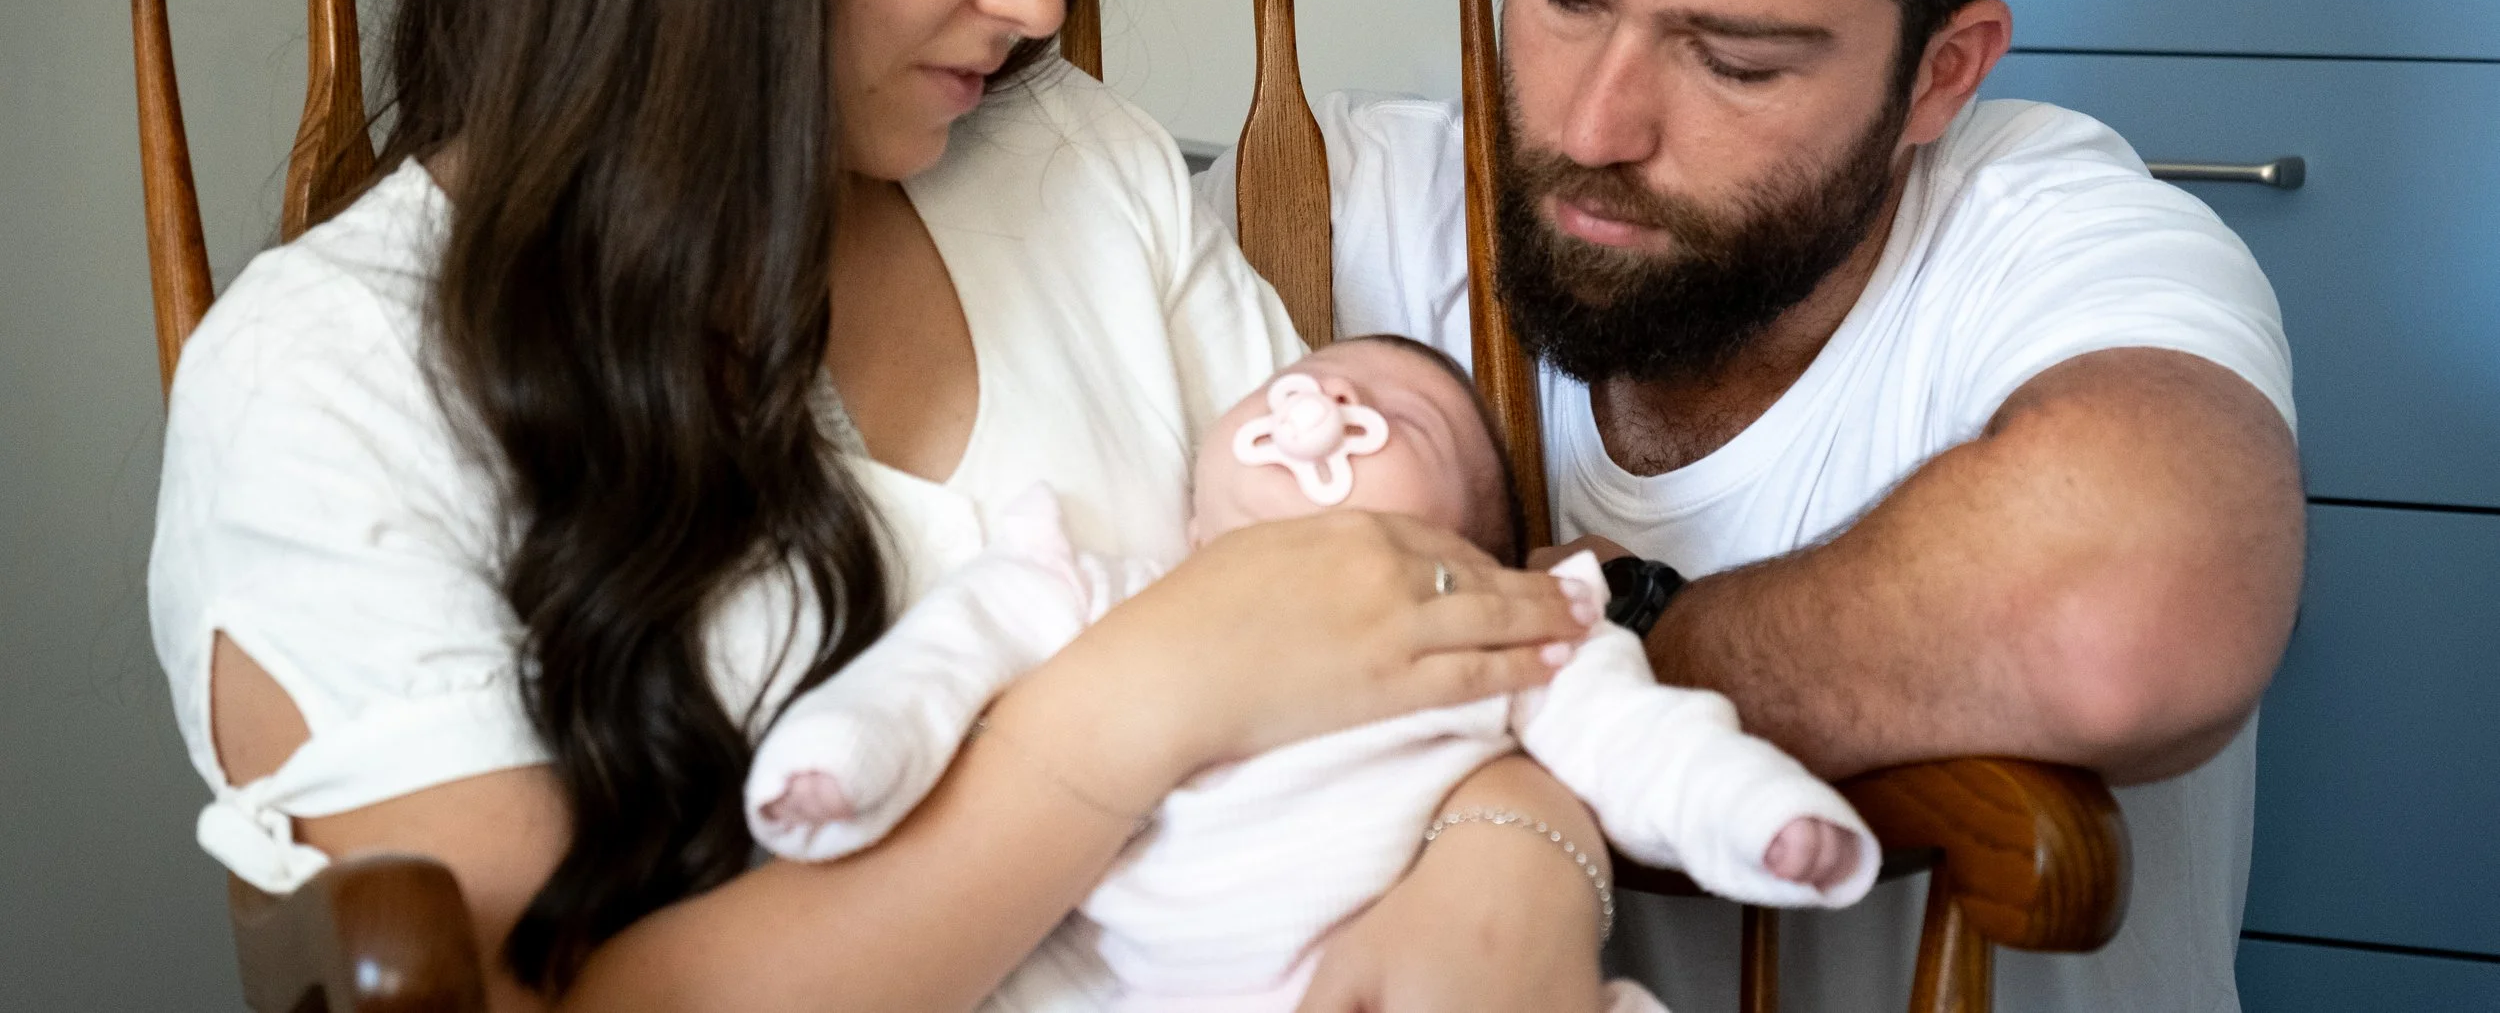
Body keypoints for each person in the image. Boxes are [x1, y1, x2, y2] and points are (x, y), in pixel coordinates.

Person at [151, 0, 1610, 1013]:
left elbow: (1399, 632)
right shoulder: (334, 379)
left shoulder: (1078, 170)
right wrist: (1126, 712)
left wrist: (1516, 849)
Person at [1199, 0, 2305, 1012]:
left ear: (1939, 73)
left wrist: (1593, 649)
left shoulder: (2063, 231)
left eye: (1734, 59)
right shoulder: (1336, 197)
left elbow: (2128, 613)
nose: (1596, 124)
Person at [744, 336, 1884, 1013]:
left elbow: (1640, 739)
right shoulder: (1099, 590)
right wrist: (846, 757)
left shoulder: (1479, 632)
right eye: (1309, 374)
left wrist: (1754, 813)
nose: (1325, 402)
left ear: (1463, 554)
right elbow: (944, 657)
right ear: (1196, 501)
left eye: (1402, 421)